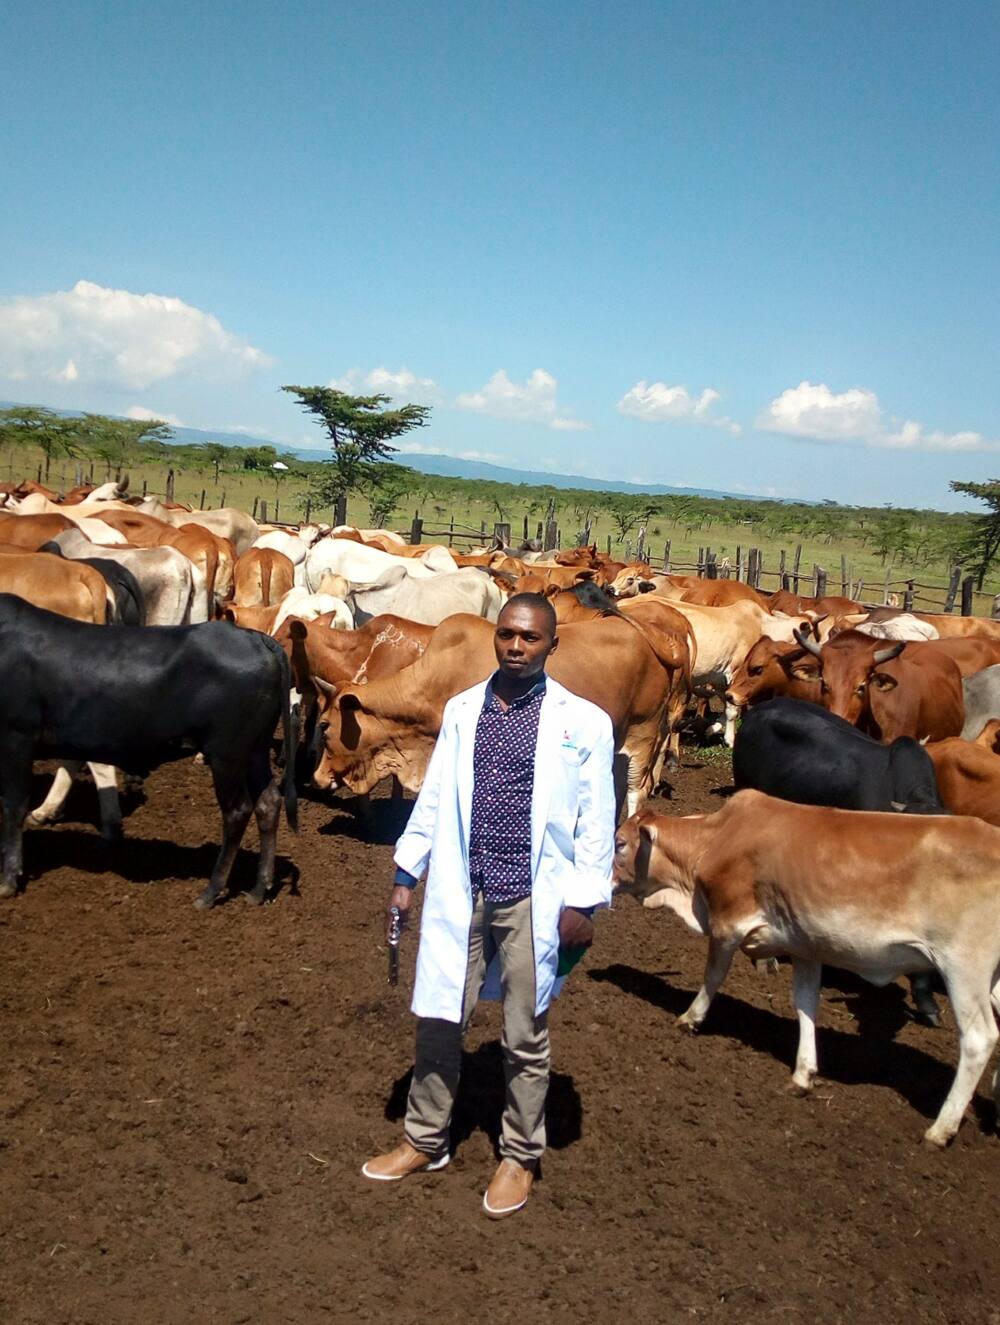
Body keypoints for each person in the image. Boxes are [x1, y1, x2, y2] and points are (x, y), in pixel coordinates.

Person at [361, 592, 616, 1218]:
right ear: (495, 638)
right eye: (507, 635)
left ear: (552, 645)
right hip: (463, 887)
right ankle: (426, 1139)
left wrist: (585, 900)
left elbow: (596, 821)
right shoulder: (463, 710)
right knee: (440, 1018)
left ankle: (520, 1155)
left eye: (530, 638)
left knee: (525, 1033)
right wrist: (407, 869)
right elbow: (435, 795)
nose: (517, 646)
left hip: (535, 895)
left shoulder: (584, 723)